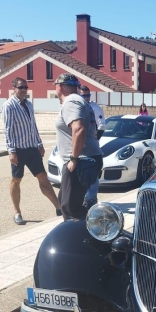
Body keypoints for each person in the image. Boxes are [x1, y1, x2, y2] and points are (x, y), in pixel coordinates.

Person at [1, 77, 61, 224]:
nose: (23, 90)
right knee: (16, 179)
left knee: (43, 177)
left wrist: (39, 144)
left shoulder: (28, 104)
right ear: (14, 88)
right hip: (19, 150)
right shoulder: (9, 106)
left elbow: (33, 126)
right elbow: (8, 130)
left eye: (25, 87)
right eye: (20, 87)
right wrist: (11, 151)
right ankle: (17, 212)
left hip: (32, 148)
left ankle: (59, 208)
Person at [53, 73, 103, 220]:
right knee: (67, 201)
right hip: (86, 158)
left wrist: (74, 158)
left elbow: (79, 129)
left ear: (59, 87)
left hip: (80, 160)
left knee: (70, 207)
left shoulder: (71, 101)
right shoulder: (80, 101)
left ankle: (78, 239)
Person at [80, 86, 106, 207]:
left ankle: (91, 199)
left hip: (92, 146)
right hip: (80, 147)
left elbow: (101, 126)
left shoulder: (95, 107)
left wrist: (95, 140)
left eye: (88, 95)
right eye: (83, 95)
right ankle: (84, 198)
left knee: (94, 173)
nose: (86, 98)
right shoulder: (77, 107)